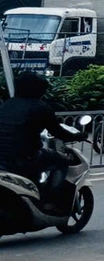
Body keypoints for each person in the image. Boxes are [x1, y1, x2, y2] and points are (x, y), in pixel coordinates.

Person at [0, 73, 84, 205]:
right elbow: (58, 132)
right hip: (24, 156)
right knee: (62, 160)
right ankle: (49, 199)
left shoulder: (7, 105)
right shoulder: (41, 107)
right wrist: (78, 136)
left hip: (4, 157)